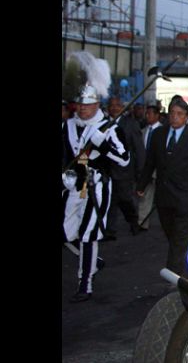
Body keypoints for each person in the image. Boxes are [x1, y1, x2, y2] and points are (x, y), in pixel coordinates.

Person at [62, 85, 130, 302]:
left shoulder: (108, 127)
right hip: (72, 185)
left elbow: (124, 158)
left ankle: (85, 284)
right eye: (80, 105)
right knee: (65, 232)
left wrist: (106, 147)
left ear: (96, 106)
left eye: (87, 105)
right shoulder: (68, 125)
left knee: (88, 235)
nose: (83, 109)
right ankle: (93, 261)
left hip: (96, 185)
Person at [137, 99, 188, 274]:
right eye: (172, 113)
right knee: (171, 234)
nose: (175, 117)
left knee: (179, 238)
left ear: (187, 117)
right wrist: (141, 184)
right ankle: (182, 263)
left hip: (183, 196)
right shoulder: (158, 134)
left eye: (180, 114)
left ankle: (173, 273)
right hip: (163, 196)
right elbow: (150, 162)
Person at [104, 96, 146, 239]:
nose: (114, 108)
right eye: (111, 105)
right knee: (109, 201)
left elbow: (139, 149)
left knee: (125, 200)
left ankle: (133, 222)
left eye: (117, 105)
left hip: (125, 171)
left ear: (123, 107)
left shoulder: (130, 124)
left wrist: (141, 173)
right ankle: (110, 230)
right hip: (106, 171)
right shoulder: (103, 124)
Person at [137, 104, 163, 230]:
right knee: (145, 195)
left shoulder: (164, 131)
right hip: (146, 168)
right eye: (146, 113)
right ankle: (142, 222)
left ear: (157, 115)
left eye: (150, 113)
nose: (147, 116)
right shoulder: (143, 131)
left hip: (160, 169)